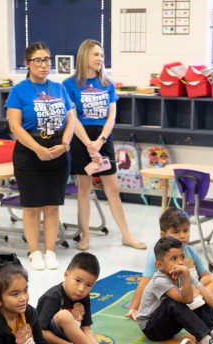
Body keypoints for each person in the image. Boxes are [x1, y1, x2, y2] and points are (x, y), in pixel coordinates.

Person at [37, 251, 194, 344]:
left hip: (76, 341)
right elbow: (41, 333)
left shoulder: (83, 297)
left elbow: (86, 328)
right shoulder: (53, 297)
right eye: (77, 281)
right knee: (64, 316)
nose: (81, 289)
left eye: (88, 285)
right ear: (66, 275)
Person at [63, 39, 146, 251]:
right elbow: (73, 118)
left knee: (113, 190)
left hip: (103, 138)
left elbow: (111, 117)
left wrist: (99, 142)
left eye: (101, 55)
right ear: (84, 57)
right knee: (84, 189)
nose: (100, 59)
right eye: (96, 55)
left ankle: (127, 236)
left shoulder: (107, 84)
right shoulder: (69, 85)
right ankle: (85, 237)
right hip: (82, 138)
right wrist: (89, 145)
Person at [6, 42, 75, 271]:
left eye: (47, 59)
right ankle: (35, 252)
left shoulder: (59, 88)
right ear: (27, 63)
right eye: (38, 60)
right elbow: (16, 127)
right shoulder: (19, 91)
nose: (44, 65)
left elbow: (70, 120)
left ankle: (50, 251)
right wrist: (37, 149)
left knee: (53, 205)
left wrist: (64, 145)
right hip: (29, 153)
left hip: (58, 151)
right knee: (32, 206)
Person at [136, 236, 213, 344]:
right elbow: (186, 299)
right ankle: (206, 342)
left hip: (169, 324)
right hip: (152, 329)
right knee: (173, 302)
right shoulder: (159, 280)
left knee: (199, 295)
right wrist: (187, 275)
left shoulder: (182, 272)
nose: (180, 262)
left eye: (182, 257)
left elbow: (207, 295)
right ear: (159, 265)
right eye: (173, 259)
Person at [126, 207, 213, 320]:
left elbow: (205, 276)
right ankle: (203, 305)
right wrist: (134, 307)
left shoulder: (190, 251)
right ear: (162, 234)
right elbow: (144, 283)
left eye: (185, 231)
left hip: (194, 291)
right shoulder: (156, 256)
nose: (182, 236)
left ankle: (202, 304)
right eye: (176, 232)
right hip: (175, 295)